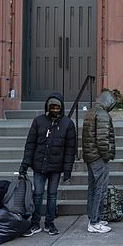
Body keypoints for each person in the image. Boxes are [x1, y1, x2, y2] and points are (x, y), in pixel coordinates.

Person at [20, 93, 76, 236]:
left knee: (52, 195)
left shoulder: (68, 124)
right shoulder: (38, 121)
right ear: (47, 107)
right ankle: (35, 222)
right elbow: (30, 145)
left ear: (61, 108)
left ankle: (50, 223)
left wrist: (67, 170)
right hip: (39, 165)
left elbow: (70, 149)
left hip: (56, 167)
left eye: (58, 107)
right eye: (52, 107)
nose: (55, 110)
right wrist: (24, 165)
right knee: (37, 194)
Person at [82, 90, 116, 233]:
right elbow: (103, 139)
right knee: (100, 190)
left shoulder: (91, 112)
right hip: (98, 157)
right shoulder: (102, 114)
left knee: (93, 188)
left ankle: (93, 218)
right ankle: (95, 222)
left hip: (90, 156)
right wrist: (107, 155)